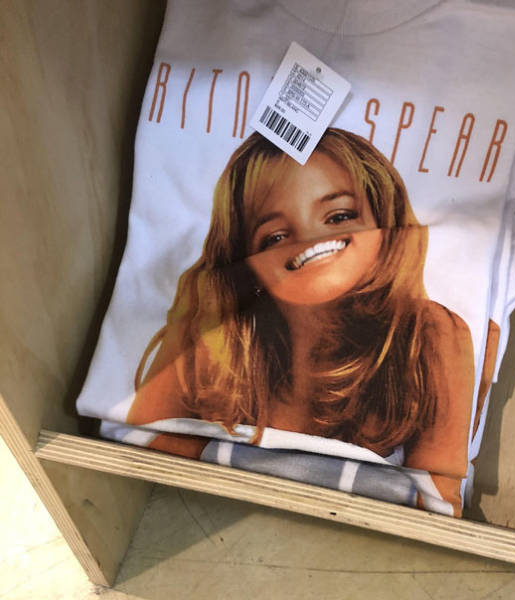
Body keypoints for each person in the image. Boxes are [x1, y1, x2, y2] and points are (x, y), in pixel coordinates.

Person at [127, 128, 475, 489]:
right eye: (275, 236)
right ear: (246, 264)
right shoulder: (215, 335)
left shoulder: (429, 334)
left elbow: (435, 502)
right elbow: (139, 458)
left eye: (338, 216)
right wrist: (190, 321)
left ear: (384, 222)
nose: (311, 239)